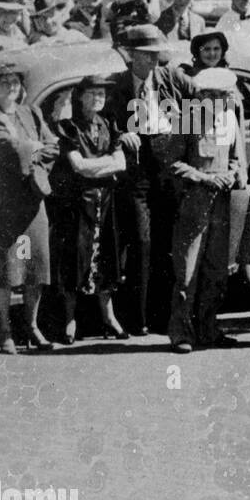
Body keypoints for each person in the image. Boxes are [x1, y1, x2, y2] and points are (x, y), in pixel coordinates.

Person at [105, 24, 196, 336]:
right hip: (137, 170)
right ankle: (138, 317)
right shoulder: (117, 85)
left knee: (167, 241)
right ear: (131, 56)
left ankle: (163, 316)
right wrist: (120, 133)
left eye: (156, 55)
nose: (152, 62)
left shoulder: (170, 76)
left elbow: (202, 96)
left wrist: (182, 131)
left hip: (168, 166)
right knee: (141, 241)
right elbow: (101, 121)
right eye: (145, 56)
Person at [0, 62, 59, 353]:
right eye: (4, 82)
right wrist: (31, 147)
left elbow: (53, 145)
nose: (11, 87)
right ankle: (5, 330)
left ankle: (31, 326)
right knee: (7, 268)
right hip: (3, 203)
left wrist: (32, 150)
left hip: (32, 201)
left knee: (34, 265)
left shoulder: (30, 112)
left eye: (15, 82)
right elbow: (7, 148)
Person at [166, 67, 245, 353]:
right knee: (187, 270)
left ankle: (208, 328)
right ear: (202, 96)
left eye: (224, 96)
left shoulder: (229, 120)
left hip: (221, 204)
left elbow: (237, 159)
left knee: (216, 270)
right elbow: (172, 163)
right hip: (194, 202)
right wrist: (203, 177)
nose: (221, 101)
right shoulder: (186, 119)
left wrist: (230, 174)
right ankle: (181, 333)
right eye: (214, 95)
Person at [51, 75, 128, 343]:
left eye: (102, 94)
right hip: (78, 202)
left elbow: (121, 163)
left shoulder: (108, 124)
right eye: (92, 93)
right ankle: (70, 321)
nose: (98, 98)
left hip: (105, 200)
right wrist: (105, 164)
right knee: (75, 258)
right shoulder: (70, 127)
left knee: (106, 256)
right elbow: (78, 166)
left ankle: (109, 317)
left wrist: (96, 164)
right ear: (81, 96)